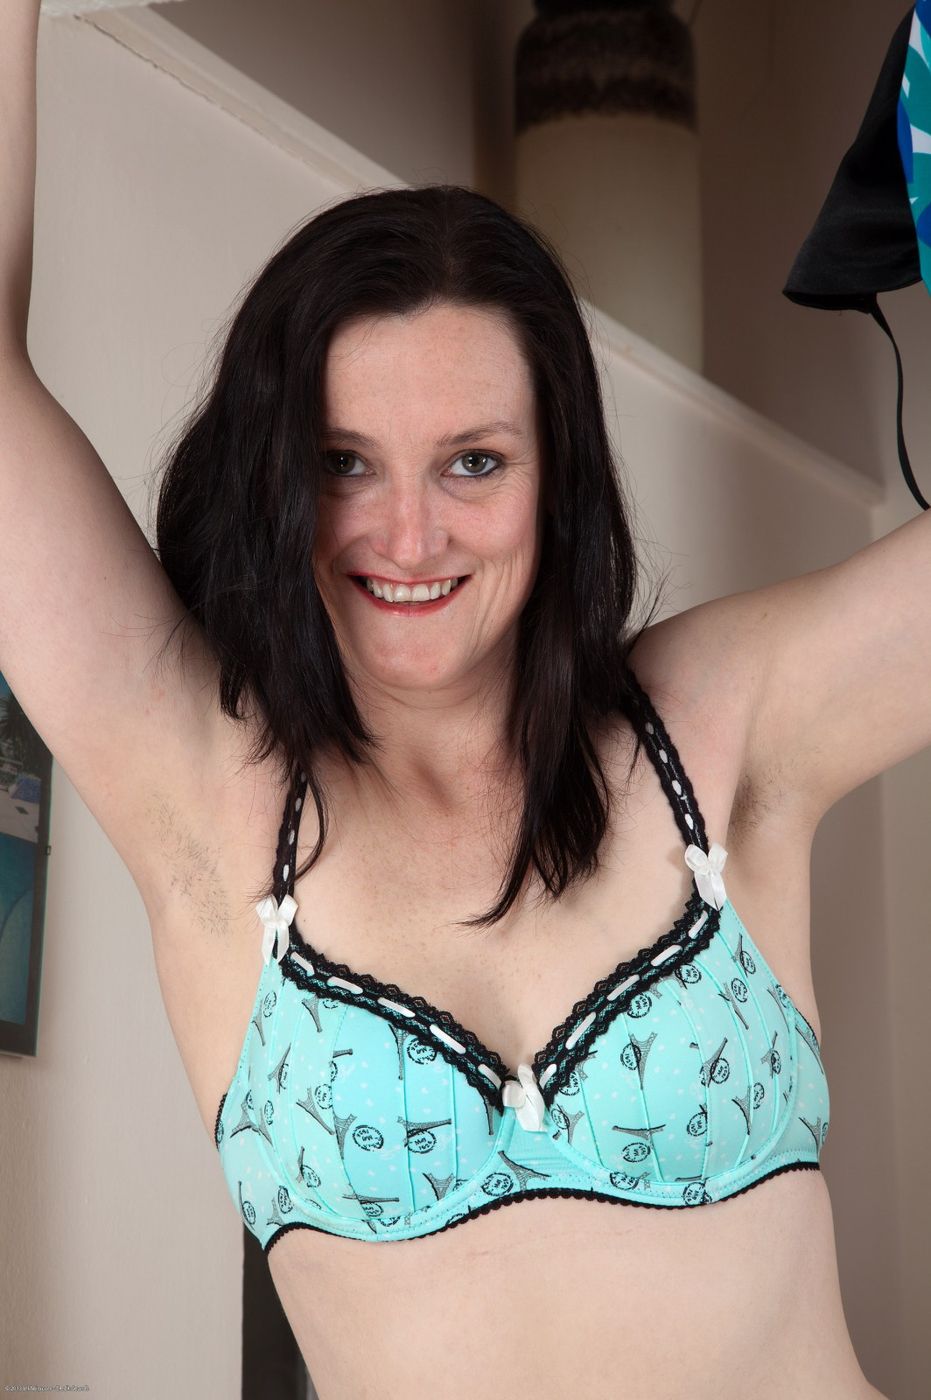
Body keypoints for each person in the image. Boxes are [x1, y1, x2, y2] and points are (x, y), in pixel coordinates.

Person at [2, 3, 919, 1396]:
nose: (409, 535)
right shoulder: (207, 795)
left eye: (474, 463)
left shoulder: (720, 723)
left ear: (560, 482)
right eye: (345, 463)